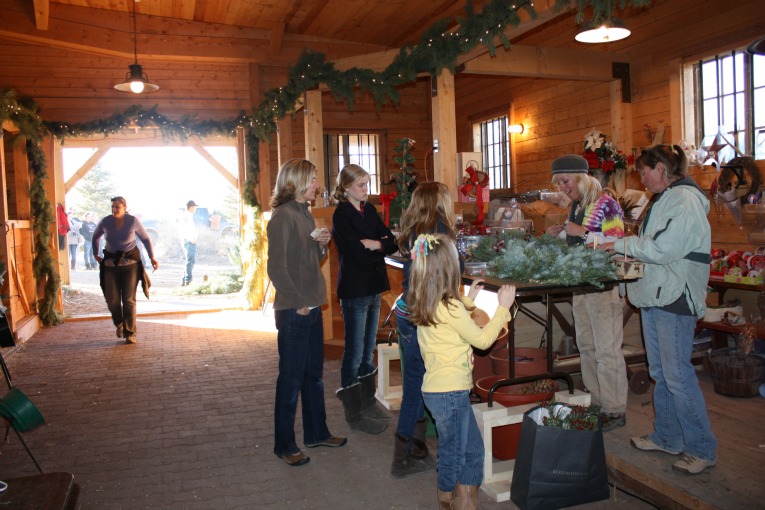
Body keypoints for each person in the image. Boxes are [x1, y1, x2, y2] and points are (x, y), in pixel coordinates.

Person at [599, 145, 717, 475]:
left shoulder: (686, 201)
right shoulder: (666, 198)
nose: (643, 178)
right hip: (657, 294)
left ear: (663, 168)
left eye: (645, 171)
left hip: (675, 296)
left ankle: (702, 447)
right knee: (661, 373)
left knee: (677, 375)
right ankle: (668, 436)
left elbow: (664, 249)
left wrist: (619, 244)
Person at [407, 233, 516, 508]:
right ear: (449, 268)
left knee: (473, 452)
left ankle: (466, 501)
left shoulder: (428, 301)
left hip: (439, 391)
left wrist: (468, 300)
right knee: (453, 454)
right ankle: (447, 499)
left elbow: (450, 323)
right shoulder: (451, 307)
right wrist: (503, 309)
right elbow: (481, 341)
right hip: (451, 393)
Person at [266, 158, 347, 467]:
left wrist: (322, 245)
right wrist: (298, 302)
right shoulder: (283, 216)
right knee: (290, 379)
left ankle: (317, 432)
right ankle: (284, 445)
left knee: (313, 376)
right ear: (298, 181)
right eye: (313, 179)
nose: (318, 184)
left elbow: (308, 258)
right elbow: (276, 268)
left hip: (310, 306)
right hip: (294, 309)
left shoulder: (305, 213)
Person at [545, 154, 629, 431]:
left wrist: (580, 233)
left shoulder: (608, 205)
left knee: (607, 350)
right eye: (558, 183)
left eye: (565, 181)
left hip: (603, 286)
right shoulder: (578, 206)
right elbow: (579, 242)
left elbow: (617, 243)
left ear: (581, 178)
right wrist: (560, 234)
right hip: (581, 285)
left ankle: (615, 409)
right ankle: (596, 401)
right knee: (587, 347)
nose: (562, 188)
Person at [390, 181, 457, 478]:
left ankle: (416, 448)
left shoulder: (414, 228)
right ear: (439, 202)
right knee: (416, 387)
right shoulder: (439, 228)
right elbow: (451, 267)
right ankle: (401, 458)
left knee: (414, 381)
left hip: (406, 309)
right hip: (422, 312)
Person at [332, 164, 398, 435]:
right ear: (346, 187)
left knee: (369, 347)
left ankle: (368, 402)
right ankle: (353, 411)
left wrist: (375, 244)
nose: (365, 189)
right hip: (355, 288)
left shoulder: (369, 209)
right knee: (354, 350)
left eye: (367, 184)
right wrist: (374, 245)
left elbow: (391, 241)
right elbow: (354, 253)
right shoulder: (341, 214)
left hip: (373, 286)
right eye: (360, 185)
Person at [92, 197, 159, 344]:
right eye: (113, 207)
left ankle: (130, 332)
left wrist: (152, 257)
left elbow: (146, 239)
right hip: (111, 263)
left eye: (117, 207)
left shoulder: (132, 221)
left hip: (130, 263)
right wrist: (95, 253)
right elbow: (96, 236)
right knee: (112, 299)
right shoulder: (105, 221)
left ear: (124, 207)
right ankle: (120, 323)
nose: (114, 209)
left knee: (128, 299)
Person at [179, 200, 199, 287]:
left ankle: (185, 280)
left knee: (190, 260)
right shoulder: (187, 216)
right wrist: (190, 238)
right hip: (189, 241)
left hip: (188, 240)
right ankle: (188, 281)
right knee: (190, 261)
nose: (195, 209)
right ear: (191, 207)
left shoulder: (187, 215)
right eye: (195, 207)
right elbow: (185, 229)